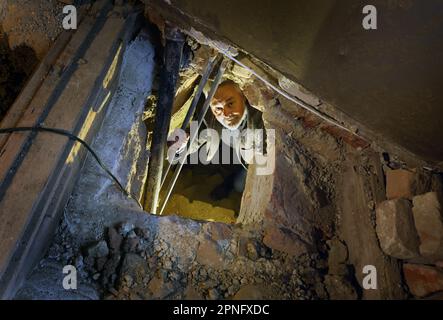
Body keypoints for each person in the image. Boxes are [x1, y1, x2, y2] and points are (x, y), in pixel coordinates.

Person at [169, 79, 266, 200]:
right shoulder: (211, 115)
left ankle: (230, 182)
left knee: (239, 185)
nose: (226, 113)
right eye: (218, 109)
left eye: (230, 104)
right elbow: (197, 136)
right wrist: (181, 146)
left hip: (249, 155)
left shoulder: (261, 120)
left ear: (243, 97)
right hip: (230, 144)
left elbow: (264, 161)